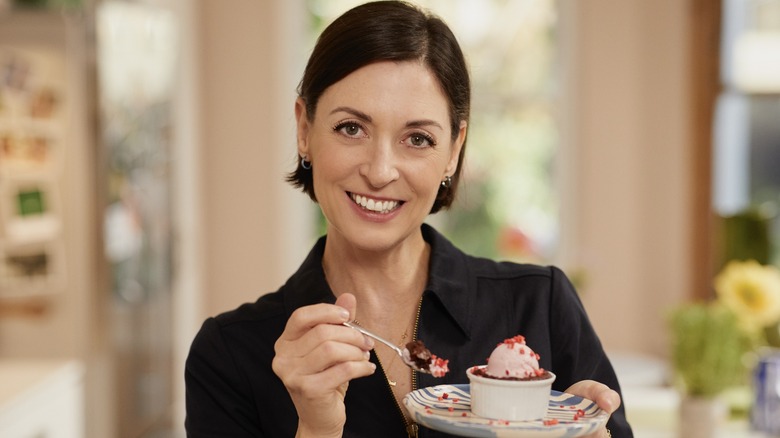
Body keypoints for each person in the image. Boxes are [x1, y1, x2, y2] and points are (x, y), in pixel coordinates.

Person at [185, 1, 633, 437]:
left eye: (417, 138)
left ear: (453, 150)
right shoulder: (227, 355)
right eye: (351, 128)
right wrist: (317, 430)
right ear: (304, 129)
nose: (380, 171)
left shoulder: (542, 306)